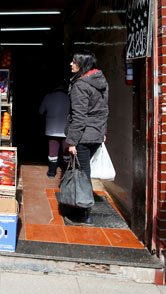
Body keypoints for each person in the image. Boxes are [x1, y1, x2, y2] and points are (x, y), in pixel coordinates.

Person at [64, 50, 109, 224]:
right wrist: (103, 131)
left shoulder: (81, 85)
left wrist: (72, 141)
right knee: (84, 172)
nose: (71, 64)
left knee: (82, 174)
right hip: (95, 134)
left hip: (83, 136)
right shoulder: (101, 82)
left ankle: (83, 212)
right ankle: (81, 207)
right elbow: (104, 110)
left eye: (74, 61)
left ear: (82, 64)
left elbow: (79, 116)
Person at [39, 80, 70, 178]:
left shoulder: (48, 96)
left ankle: (51, 172)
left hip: (52, 128)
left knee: (53, 151)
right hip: (66, 129)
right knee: (66, 152)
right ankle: (65, 172)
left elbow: (41, 111)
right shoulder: (70, 97)